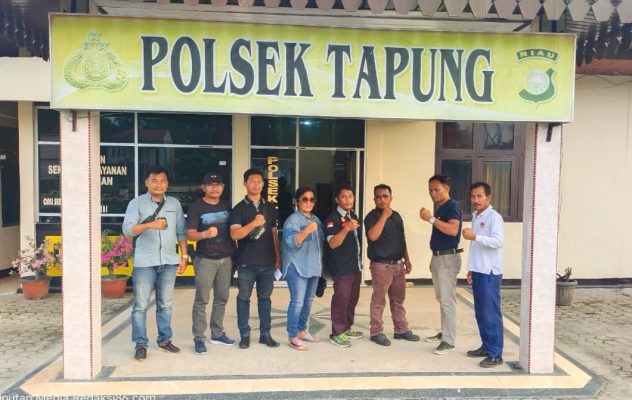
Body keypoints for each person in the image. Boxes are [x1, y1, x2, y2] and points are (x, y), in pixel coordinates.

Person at [122, 166, 188, 362]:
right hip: (145, 262)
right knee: (140, 306)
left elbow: (181, 232)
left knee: (165, 305)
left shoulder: (175, 203)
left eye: (163, 181)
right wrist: (150, 224)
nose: (159, 184)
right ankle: (140, 344)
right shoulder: (136, 203)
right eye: (154, 180)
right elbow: (128, 230)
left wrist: (184, 256)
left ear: (167, 184)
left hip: (169, 261)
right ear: (147, 183)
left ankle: (165, 340)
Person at [230, 168, 281, 349]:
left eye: (259, 181)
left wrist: (278, 258)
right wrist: (253, 223)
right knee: (243, 298)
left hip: (267, 262)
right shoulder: (238, 208)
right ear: (245, 184)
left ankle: (265, 334)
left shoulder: (270, 207)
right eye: (252, 181)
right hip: (246, 262)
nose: (256, 185)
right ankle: (244, 335)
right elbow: (235, 234)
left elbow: (274, 234)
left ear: (263, 184)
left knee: (265, 299)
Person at [364, 184, 420, 346]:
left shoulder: (397, 216)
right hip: (381, 266)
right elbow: (373, 236)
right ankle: (376, 332)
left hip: (398, 265)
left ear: (391, 198)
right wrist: (384, 216)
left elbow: (402, 239)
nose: (382, 199)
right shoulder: (371, 217)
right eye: (378, 197)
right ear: (374, 199)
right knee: (379, 301)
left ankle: (401, 330)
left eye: (385, 196)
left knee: (398, 300)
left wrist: (407, 259)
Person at [187, 172, 235, 355]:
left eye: (218, 184)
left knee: (222, 297)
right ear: (204, 187)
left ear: (223, 187)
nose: (215, 187)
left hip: (226, 259)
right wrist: (204, 234)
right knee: (202, 300)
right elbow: (190, 234)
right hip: (205, 259)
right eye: (211, 184)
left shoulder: (227, 205)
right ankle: (199, 338)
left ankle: (217, 333)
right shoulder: (196, 207)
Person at [462, 182, 505, 368]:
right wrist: (471, 268)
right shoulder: (476, 216)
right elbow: (476, 247)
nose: (476, 200)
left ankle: (496, 354)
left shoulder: (494, 217)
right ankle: (486, 346)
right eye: (473, 196)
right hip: (478, 270)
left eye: (479, 196)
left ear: (488, 197)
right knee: (481, 312)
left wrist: (475, 237)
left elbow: (498, 242)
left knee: (491, 313)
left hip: (489, 272)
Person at [419, 174, 463, 355]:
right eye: (430, 190)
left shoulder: (452, 206)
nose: (432, 193)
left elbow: (453, 230)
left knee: (447, 301)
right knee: (442, 299)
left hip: (447, 259)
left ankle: (449, 341)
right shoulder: (442, 207)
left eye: (436, 189)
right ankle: (445, 332)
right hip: (439, 258)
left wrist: (430, 219)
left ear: (447, 189)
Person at [281, 187, 324, 351]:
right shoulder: (293, 220)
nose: (308, 202)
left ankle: (301, 330)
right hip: (297, 266)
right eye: (304, 199)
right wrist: (307, 230)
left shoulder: (316, 219)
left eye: (311, 199)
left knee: (308, 301)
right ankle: (293, 336)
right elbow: (291, 242)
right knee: (297, 302)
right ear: (297, 201)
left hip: (313, 266)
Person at [324, 183, 364, 348]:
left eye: (351, 196)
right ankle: (337, 333)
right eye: (344, 196)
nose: (348, 199)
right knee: (341, 300)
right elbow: (333, 243)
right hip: (342, 267)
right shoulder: (332, 219)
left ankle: (347, 328)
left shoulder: (352, 215)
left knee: (352, 299)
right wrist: (346, 229)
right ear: (337, 199)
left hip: (355, 265)